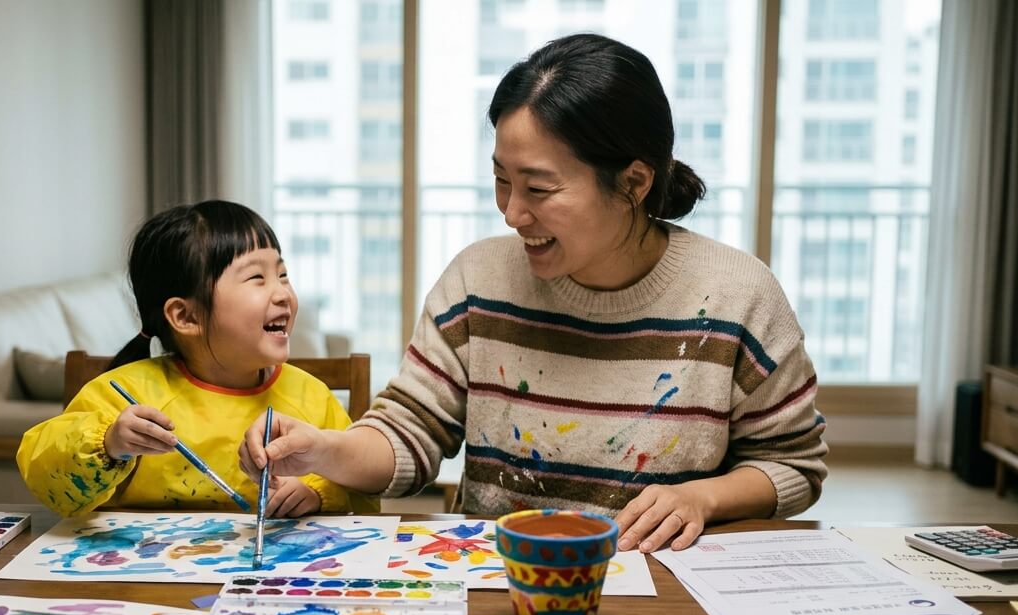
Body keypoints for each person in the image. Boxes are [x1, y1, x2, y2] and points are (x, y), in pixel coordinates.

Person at [241, 33, 827, 552]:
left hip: (665, 600)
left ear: (634, 182)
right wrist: (323, 450)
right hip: (503, 589)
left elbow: (793, 465)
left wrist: (706, 498)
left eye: (539, 188)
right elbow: (408, 433)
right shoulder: (477, 281)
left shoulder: (736, 296)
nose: (513, 213)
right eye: (501, 180)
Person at [17, 200, 377, 518]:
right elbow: (42, 476)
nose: (283, 293)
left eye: (282, 275)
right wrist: (109, 443)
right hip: (139, 580)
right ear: (186, 317)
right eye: (257, 278)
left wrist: (317, 493)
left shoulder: (311, 398)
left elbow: (363, 488)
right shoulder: (124, 393)